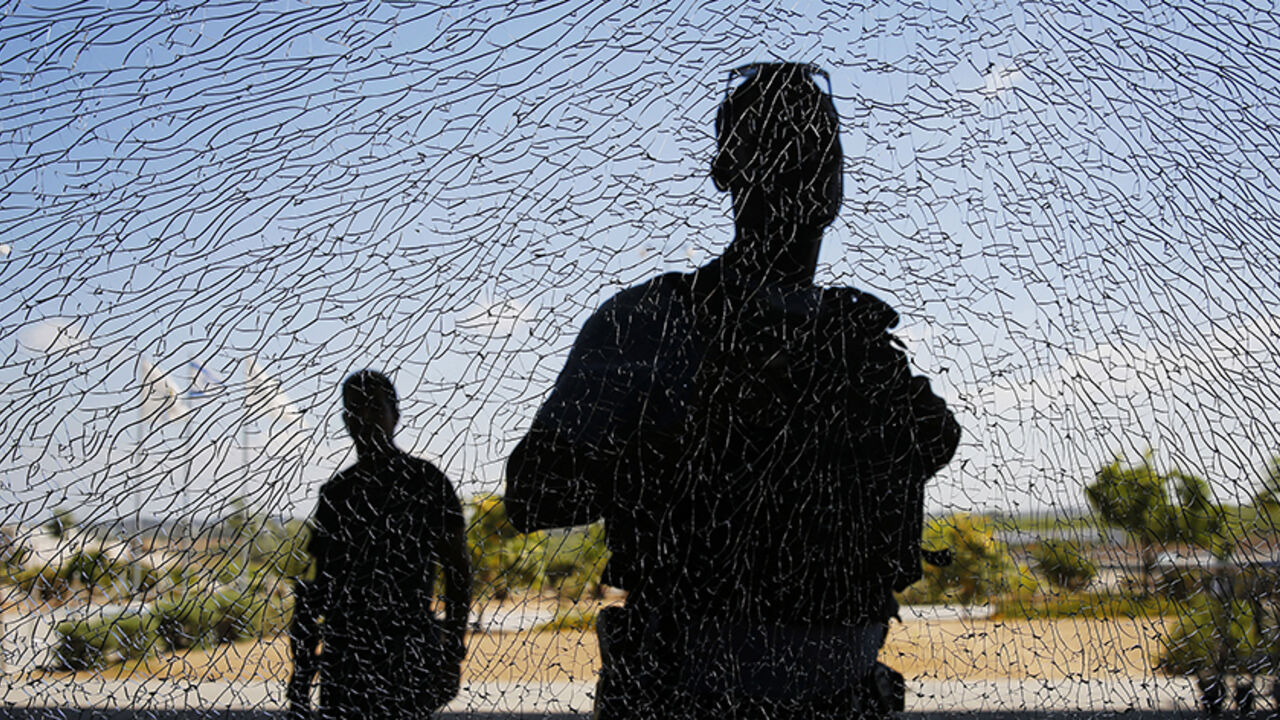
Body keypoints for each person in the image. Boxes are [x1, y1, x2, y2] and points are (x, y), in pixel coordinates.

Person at [505, 62, 960, 719]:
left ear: (835, 180)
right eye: (775, 147)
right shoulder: (652, 323)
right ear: (727, 171)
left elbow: (931, 442)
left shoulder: (852, 334)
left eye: (816, 150)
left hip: (844, 696)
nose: (800, 170)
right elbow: (533, 493)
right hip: (683, 694)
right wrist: (705, 450)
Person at [288, 370, 470, 720]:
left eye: (375, 407)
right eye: (356, 409)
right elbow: (319, 586)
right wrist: (301, 673)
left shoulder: (427, 484)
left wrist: (451, 652)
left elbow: (457, 571)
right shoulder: (337, 493)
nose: (366, 418)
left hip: (406, 651)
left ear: (395, 414)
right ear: (345, 419)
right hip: (347, 658)